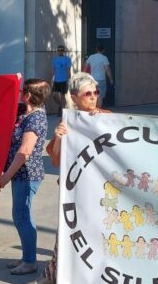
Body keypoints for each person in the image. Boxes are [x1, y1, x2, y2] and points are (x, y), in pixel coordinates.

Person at [42, 72, 111, 282]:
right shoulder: (68, 123)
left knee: (100, 234)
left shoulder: (108, 118)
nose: (93, 97)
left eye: (95, 92)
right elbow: (56, 158)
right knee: (68, 232)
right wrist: (61, 138)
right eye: (87, 93)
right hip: (75, 190)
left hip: (101, 190)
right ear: (74, 97)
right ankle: (54, 274)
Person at [0, 79, 51, 275]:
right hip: (19, 175)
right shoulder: (24, 111)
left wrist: (6, 176)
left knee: (22, 216)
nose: (19, 92)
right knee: (19, 215)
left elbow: (24, 151)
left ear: (28, 95)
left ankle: (30, 261)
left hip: (27, 175)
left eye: (22, 90)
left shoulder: (35, 118)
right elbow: (2, 98)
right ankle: (26, 256)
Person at [50, 45, 73, 116]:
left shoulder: (67, 59)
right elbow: (53, 70)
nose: (60, 51)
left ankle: (63, 112)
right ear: (57, 51)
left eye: (61, 50)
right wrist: (51, 79)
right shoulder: (54, 59)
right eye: (59, 50)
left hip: (64, 80)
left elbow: (69, 71)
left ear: (63, 51)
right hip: (56, 80)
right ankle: (61, 106)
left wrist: (69, 80)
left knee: (63, 96)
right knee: (54, 95)